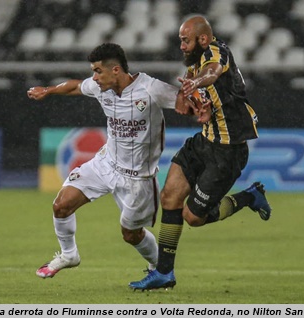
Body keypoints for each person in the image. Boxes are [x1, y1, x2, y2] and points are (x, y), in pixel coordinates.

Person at [129, 15, 272, 291]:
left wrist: (198, 84)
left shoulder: (217, 52)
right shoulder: (194, 64)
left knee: (193, 217)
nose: (181, 46)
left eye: (185, 40)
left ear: (203, 39)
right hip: (203, 142)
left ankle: (249, 197)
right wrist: (192, 103)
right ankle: (164, 273)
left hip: (227, 152)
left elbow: (214, 72)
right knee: (169, 195)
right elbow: (198, 101)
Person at [27, 43, 193, 281]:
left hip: (138, 179)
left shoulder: (150, 88)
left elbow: (183, 100)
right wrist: (48, 90)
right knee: (61, 205)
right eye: (93, 71)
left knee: (131, 235)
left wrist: (190, 101)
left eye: (98, 71)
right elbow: (75, 86)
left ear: (115, 70)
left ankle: (161, 269)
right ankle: (69, 255)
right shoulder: (99, 87)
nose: (94, 77)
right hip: (106, 164)